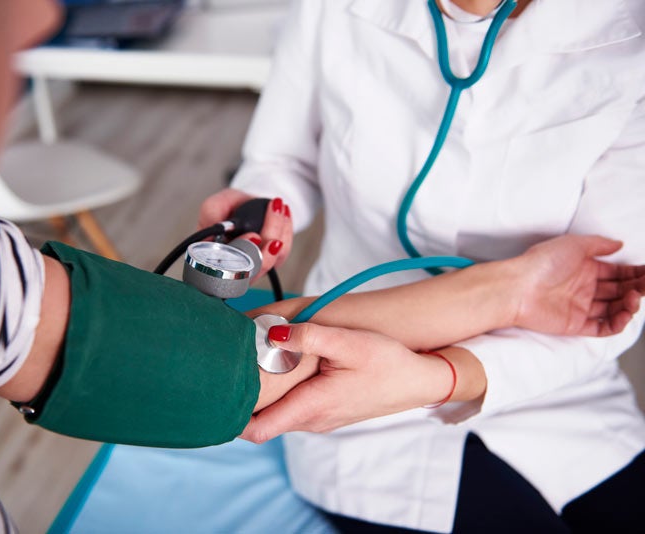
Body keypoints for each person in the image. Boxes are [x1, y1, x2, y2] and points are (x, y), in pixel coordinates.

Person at [0, 1, 642, 533]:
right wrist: (510, 287)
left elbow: (604, 308)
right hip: (358, 410)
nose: (40, 17)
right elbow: (221, 357)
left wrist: (453, 360)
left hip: (547, 393)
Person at [198, 0, 645, 532]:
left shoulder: (628, 32)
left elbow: (613, 296)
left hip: (547, 378)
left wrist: (439, 375)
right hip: (346, 383)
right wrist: (263, 212)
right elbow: (280, 160)